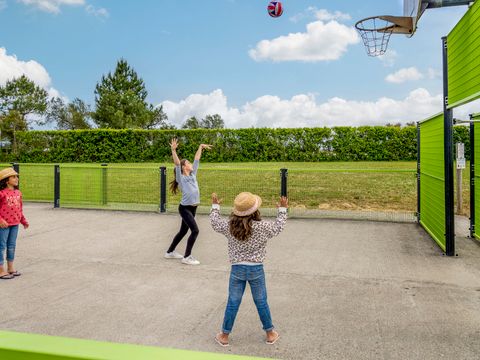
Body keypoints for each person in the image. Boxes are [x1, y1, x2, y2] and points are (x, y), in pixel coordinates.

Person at [209, 191, 288, 346]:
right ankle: (270, 333)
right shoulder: (262, 227)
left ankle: (224, 336)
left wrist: (215, 206)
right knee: (261, 301)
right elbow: (278, 227)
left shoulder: (229, 227)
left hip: (237, 269)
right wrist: (282, 209)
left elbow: (215, 223)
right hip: (256, 270)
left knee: (233, 302)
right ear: (255, 210)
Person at [164, 138, 212, 265]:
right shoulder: (181, 178)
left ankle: (170, 252)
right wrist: (173, 150)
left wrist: (200, 146)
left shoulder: (193, 175)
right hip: (185, 208)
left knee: (183, 231)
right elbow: (177, 163)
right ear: (184, 167)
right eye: (189, 163)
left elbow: (197, 159)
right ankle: (187, 257)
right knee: (195, 231)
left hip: (193, 208)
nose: (191, 164)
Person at [0, 167, 29, 280]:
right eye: (13, 177)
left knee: (11, 246)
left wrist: (23, 221)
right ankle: (1, 270)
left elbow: (19, 209)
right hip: (3, 225)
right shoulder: (1, 194)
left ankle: (10, 268)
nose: (16, 178)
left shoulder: (18, 193)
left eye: (17, 176)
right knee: (1, 246)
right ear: (6, 180)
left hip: (15, 224)